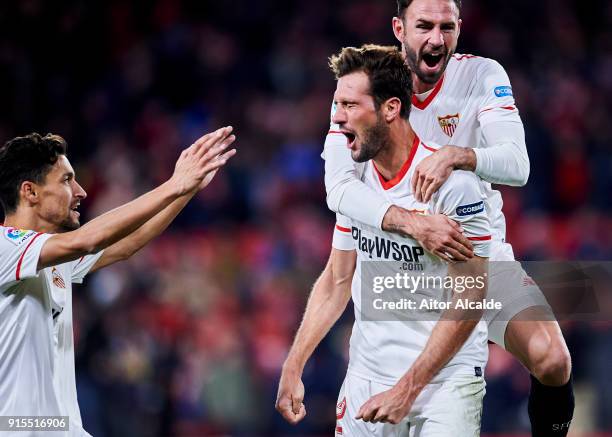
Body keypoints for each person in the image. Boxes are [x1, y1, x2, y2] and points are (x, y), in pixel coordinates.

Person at [321, 1, 574, 435]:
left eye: (447, 26)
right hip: (402, 264)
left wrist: (458, 155)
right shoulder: (366, 83)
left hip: (475, 254)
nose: (436, 39)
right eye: (424, 26)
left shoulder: (481, 76)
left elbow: (518, 164)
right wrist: (412, 223)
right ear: (399, 28)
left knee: (553, 360)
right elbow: (338, 189)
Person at [278, 44, 492, 436]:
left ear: (390, 108)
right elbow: (337, 280)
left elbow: (472, 297)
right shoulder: (355, 181)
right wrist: (294, 364)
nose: (338, 119)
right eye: (336, 105)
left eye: (350, 106)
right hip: (367, 378)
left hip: (444, 383)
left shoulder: (454, 185)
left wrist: (407, 389)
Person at [0, 128, 236, 436]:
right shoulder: (7, 246)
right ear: (30, 192)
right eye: (67, 180)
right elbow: (87, 241)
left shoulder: (51, 257)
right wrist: (172, 184)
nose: (81, 192)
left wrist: (186, 190)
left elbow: (126, 244)